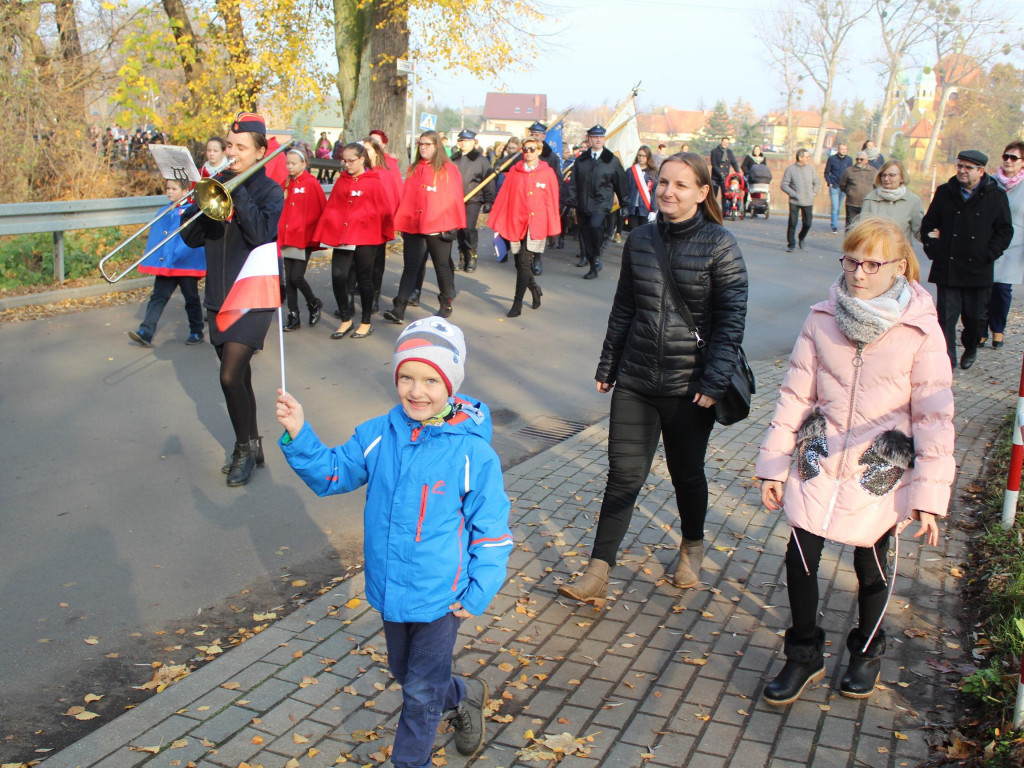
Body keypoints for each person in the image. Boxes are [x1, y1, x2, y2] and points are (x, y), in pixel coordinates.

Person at [274, 317, 512, 768]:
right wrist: (300, 433)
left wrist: (479, 589)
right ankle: (462, 694)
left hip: (442, 596)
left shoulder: (472, 453)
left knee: (420, 692)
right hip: (390, 589)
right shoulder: (378, 434)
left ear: (451, 384)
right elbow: (332, 474)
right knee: (406, 673)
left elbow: (492, 529)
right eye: (406, 377)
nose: (416, 391)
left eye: (430, 381)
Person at [756, 216, 955, 705]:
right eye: (851, 261)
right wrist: (773, 465)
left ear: (900, 267)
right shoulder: (822, 318)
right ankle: (803, 654)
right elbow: (795, 395)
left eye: (872, 264)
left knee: (873, 565)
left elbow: (934, 416)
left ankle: (866, 651)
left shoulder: (920, 329)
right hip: (820, 456)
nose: (858, 273)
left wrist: (930, 496)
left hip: (879, 466)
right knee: (800, 555)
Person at [557, 152, 748, 607]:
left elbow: (731, 321)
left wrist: (715, 381)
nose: (668, 191)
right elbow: (624, 307)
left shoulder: (721, 245)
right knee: (623, 476)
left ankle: (692, 547)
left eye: (681, 185)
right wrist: (608, 365)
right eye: (663, 182)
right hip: (637, 379)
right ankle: (598, 570)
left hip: (690, 387)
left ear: (702, 193)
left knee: (686, 474)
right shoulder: (640, 240)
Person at [180, 111, 284, 488]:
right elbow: (190, 238)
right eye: (229, 145)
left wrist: (235, 189)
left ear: (259, 152)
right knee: (240, 377)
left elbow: (261, 235)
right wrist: (199, 202)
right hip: (218, 295)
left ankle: (242, 450)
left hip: (253, 294)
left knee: (228, 376)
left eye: (241, 147)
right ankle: (253, 443)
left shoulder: (270, 191)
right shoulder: (214, 184)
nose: (232, 152)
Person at [921, 149, 1013, 370]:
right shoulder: (945, 192)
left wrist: (989, 253)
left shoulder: (996, 195)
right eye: (959, 166)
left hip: (978, 268)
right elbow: (928, 223)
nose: (962, 171)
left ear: (981, 171)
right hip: (948, 265)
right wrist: (934, 248)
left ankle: (970, 347)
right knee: (946, 318)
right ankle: (948, 359)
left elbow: (1005, 230)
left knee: (975, 319)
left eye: (968, 167)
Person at [384, 131, 466, 323]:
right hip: (414, 225)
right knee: (410, 267)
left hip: (439, 226)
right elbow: (407, 197)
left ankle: (445, 304)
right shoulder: (414, 168)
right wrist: (403, 222)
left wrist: (451, 224)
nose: (423, 147)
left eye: (427, 144)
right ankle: (399, 308)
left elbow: (453, 198)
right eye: (420, 144)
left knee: (441, 266)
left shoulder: (448, 169)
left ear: (437, 146)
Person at [314, 142, 394, 340]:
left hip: (367, 237)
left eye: (351, 160)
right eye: (344, 161)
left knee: (364, 278)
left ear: (361, 159)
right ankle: (346, 319)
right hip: (344, 236)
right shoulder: (342, 181)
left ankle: (366, 322)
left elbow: (383, 209)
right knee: (338, 276)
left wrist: (379, 229)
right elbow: (333, 208)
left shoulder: (373, 181)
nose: (347, 164)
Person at [128, 178, 206, 347]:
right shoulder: (164, 211)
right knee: (158, 297)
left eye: (174, 188)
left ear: (185, 191)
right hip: (167, 264)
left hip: (185, 263)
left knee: (191, 298)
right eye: (168, 188)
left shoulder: (192, 211)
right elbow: (158, 236)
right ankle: (146, 332)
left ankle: (196, 331)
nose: (169, 191)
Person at [488, 136, 560, 317]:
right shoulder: (515, 170)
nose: (528, 152)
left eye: (532, 149)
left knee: (524, 263)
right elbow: (505, 196)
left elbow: (552, 201)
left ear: (539, 151)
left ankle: (517, 303)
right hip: (516, 222)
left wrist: (553, 228)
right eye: (525, 149)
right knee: (519, 263)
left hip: (536, 224)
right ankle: (534, 288)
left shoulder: (548, 172)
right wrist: (498, 219)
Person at [278, 148, 326, 332]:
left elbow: (319, 208)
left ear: (303, 164)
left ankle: (313, 303)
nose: (289, 166)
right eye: (288, 163)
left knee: (296, 277)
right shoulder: (286, 183)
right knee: (289, 279)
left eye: (293, 163)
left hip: (303, 238)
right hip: (287, 237)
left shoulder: (311, 183)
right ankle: (293, 315)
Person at [573, 124, 628, 279]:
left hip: (601, 202)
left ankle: (597, 255)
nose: (598, 140)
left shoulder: (611, 160)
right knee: (586, 235)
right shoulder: (581, 160)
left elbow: (621, 183)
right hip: (583, 203)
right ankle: (593, 266)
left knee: (595, 226)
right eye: (595, 137)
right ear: (589, 139)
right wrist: (571, 201)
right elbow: (574, 183)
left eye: (601, 137)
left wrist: (625, 204)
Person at [983, 141, 1024, 349]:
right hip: (989, 242)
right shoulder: (990, 182)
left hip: (1015, 245)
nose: (1008, 161)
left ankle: (998, 329)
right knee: (983, 287)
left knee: (1002, 289)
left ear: (1022, 162)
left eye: (1013, 157)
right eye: (1005, 156)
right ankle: (980, 330)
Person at [450, 129, 495, 273]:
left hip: (473, 199)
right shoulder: (453, 159)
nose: (463, 143)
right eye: (461, 140)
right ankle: (462, 257)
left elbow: (488, 180)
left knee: (468, 228)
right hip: (456, 200)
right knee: (459, 229)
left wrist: (489, 200)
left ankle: (472, 256)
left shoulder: (481, 160)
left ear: (473, 142)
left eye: (467, 141)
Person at [861, 160, 924, 243]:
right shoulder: (871, 198)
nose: (886, 179)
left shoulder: (913, 201)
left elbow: (920, 232)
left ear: (902, 178)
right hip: (875, 249)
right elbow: (861, 231)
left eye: (892, 175)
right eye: (883, 175)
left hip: (901, 250)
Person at [781, 148, 820, 252]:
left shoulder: (810, 168)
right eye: (806, 157)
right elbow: (784, 185)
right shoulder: (790, 169)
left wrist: (814, 192)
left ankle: (801, 237)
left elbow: (817, 181)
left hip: (808, 200)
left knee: (808, 223)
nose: (808, 159)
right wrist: (794, 194)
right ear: (800, 157)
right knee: (792, 223)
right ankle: (791, 244)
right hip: (795, 201)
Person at [624, 145, 659, 231]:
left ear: (648, 157)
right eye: (639, 155)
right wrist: (624, 206)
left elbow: (655, 192)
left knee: (644, 232)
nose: (641, 158)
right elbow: (625, 190)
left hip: (646, 209)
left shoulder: (653, 173)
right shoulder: (630, 171)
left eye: (644, 156)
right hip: (632, 208)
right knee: (633, 231)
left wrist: (654, 210)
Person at [838, 151, 875, 231]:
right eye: (857, 159)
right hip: (852, 203)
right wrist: (850, 192)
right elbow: (842, 185)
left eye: (861, 159)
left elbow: (877, 187)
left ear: (866, 160)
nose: (859, 161)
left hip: (866, 203)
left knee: (864, 227)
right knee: (850, 225)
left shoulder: (873, 171)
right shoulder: (849, 171)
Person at [823, 143, 852, 234]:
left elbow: (850, 173)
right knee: (835, 207)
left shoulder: (849, 160)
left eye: (845, 149)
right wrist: (829, 182)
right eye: (842, 149)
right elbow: (826, 172)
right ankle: (834, 226)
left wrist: (849, 184)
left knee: (839, 207)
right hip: (834, 185)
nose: (843, 151)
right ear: (838, 149)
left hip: (844, 186)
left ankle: (835, 222)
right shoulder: (832, 159)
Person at [709, 136, 739, 209]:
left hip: (725, 177)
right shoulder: (714, 151)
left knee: (725, 195)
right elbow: (714, 164)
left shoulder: (729, 152)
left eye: (727, 143)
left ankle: (724, 211)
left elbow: (734, 162)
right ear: (721, 142)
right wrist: (720, 174)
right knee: (713, 195)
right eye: (724, 142)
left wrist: (737, 173)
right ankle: (712, 210)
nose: (725, 144)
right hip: (716, 177)